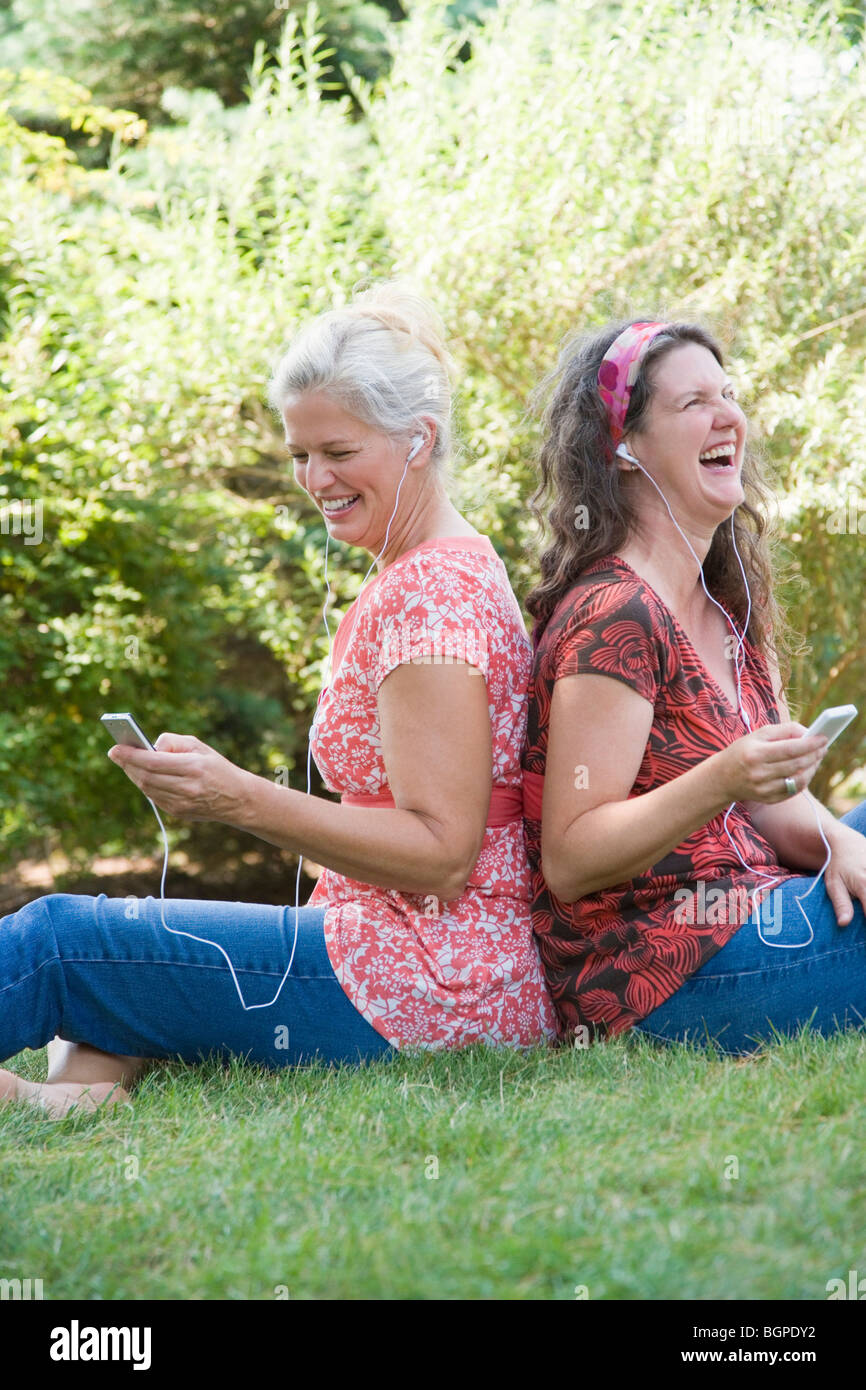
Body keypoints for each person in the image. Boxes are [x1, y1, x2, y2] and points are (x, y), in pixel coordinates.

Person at [0, 282, 557, 1117]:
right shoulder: (429, 567)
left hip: (432, 977)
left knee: (59, 941)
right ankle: (75, 1097)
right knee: (129, 952)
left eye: (337, 450)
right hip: (420, 961)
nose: (314, 478)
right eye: (300, 454)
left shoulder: (433, 593)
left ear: (419, 440)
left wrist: (238, 797)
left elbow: (444, 850)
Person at [520, 317, 866, 1052]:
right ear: (623, 449)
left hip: (755, 906)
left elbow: (772, 813)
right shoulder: (614, 613)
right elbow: (572, 857)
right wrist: (724, 776)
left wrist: (838, 839)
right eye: (692, 404)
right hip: (663, 973)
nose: (728, 417)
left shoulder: (725, 606)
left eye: (729, 395)